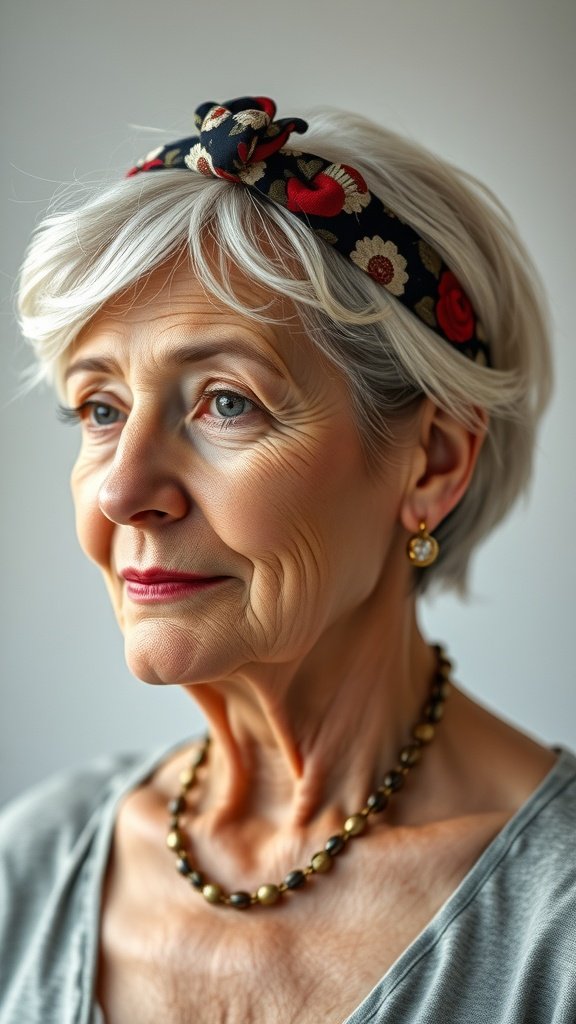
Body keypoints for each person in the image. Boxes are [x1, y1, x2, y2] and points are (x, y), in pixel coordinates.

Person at [1, 95, 574, 1024]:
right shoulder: (29, 867)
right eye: (101, 409)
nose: (122, 491)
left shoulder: (556, 931)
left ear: (432, 463)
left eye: (226, 402)